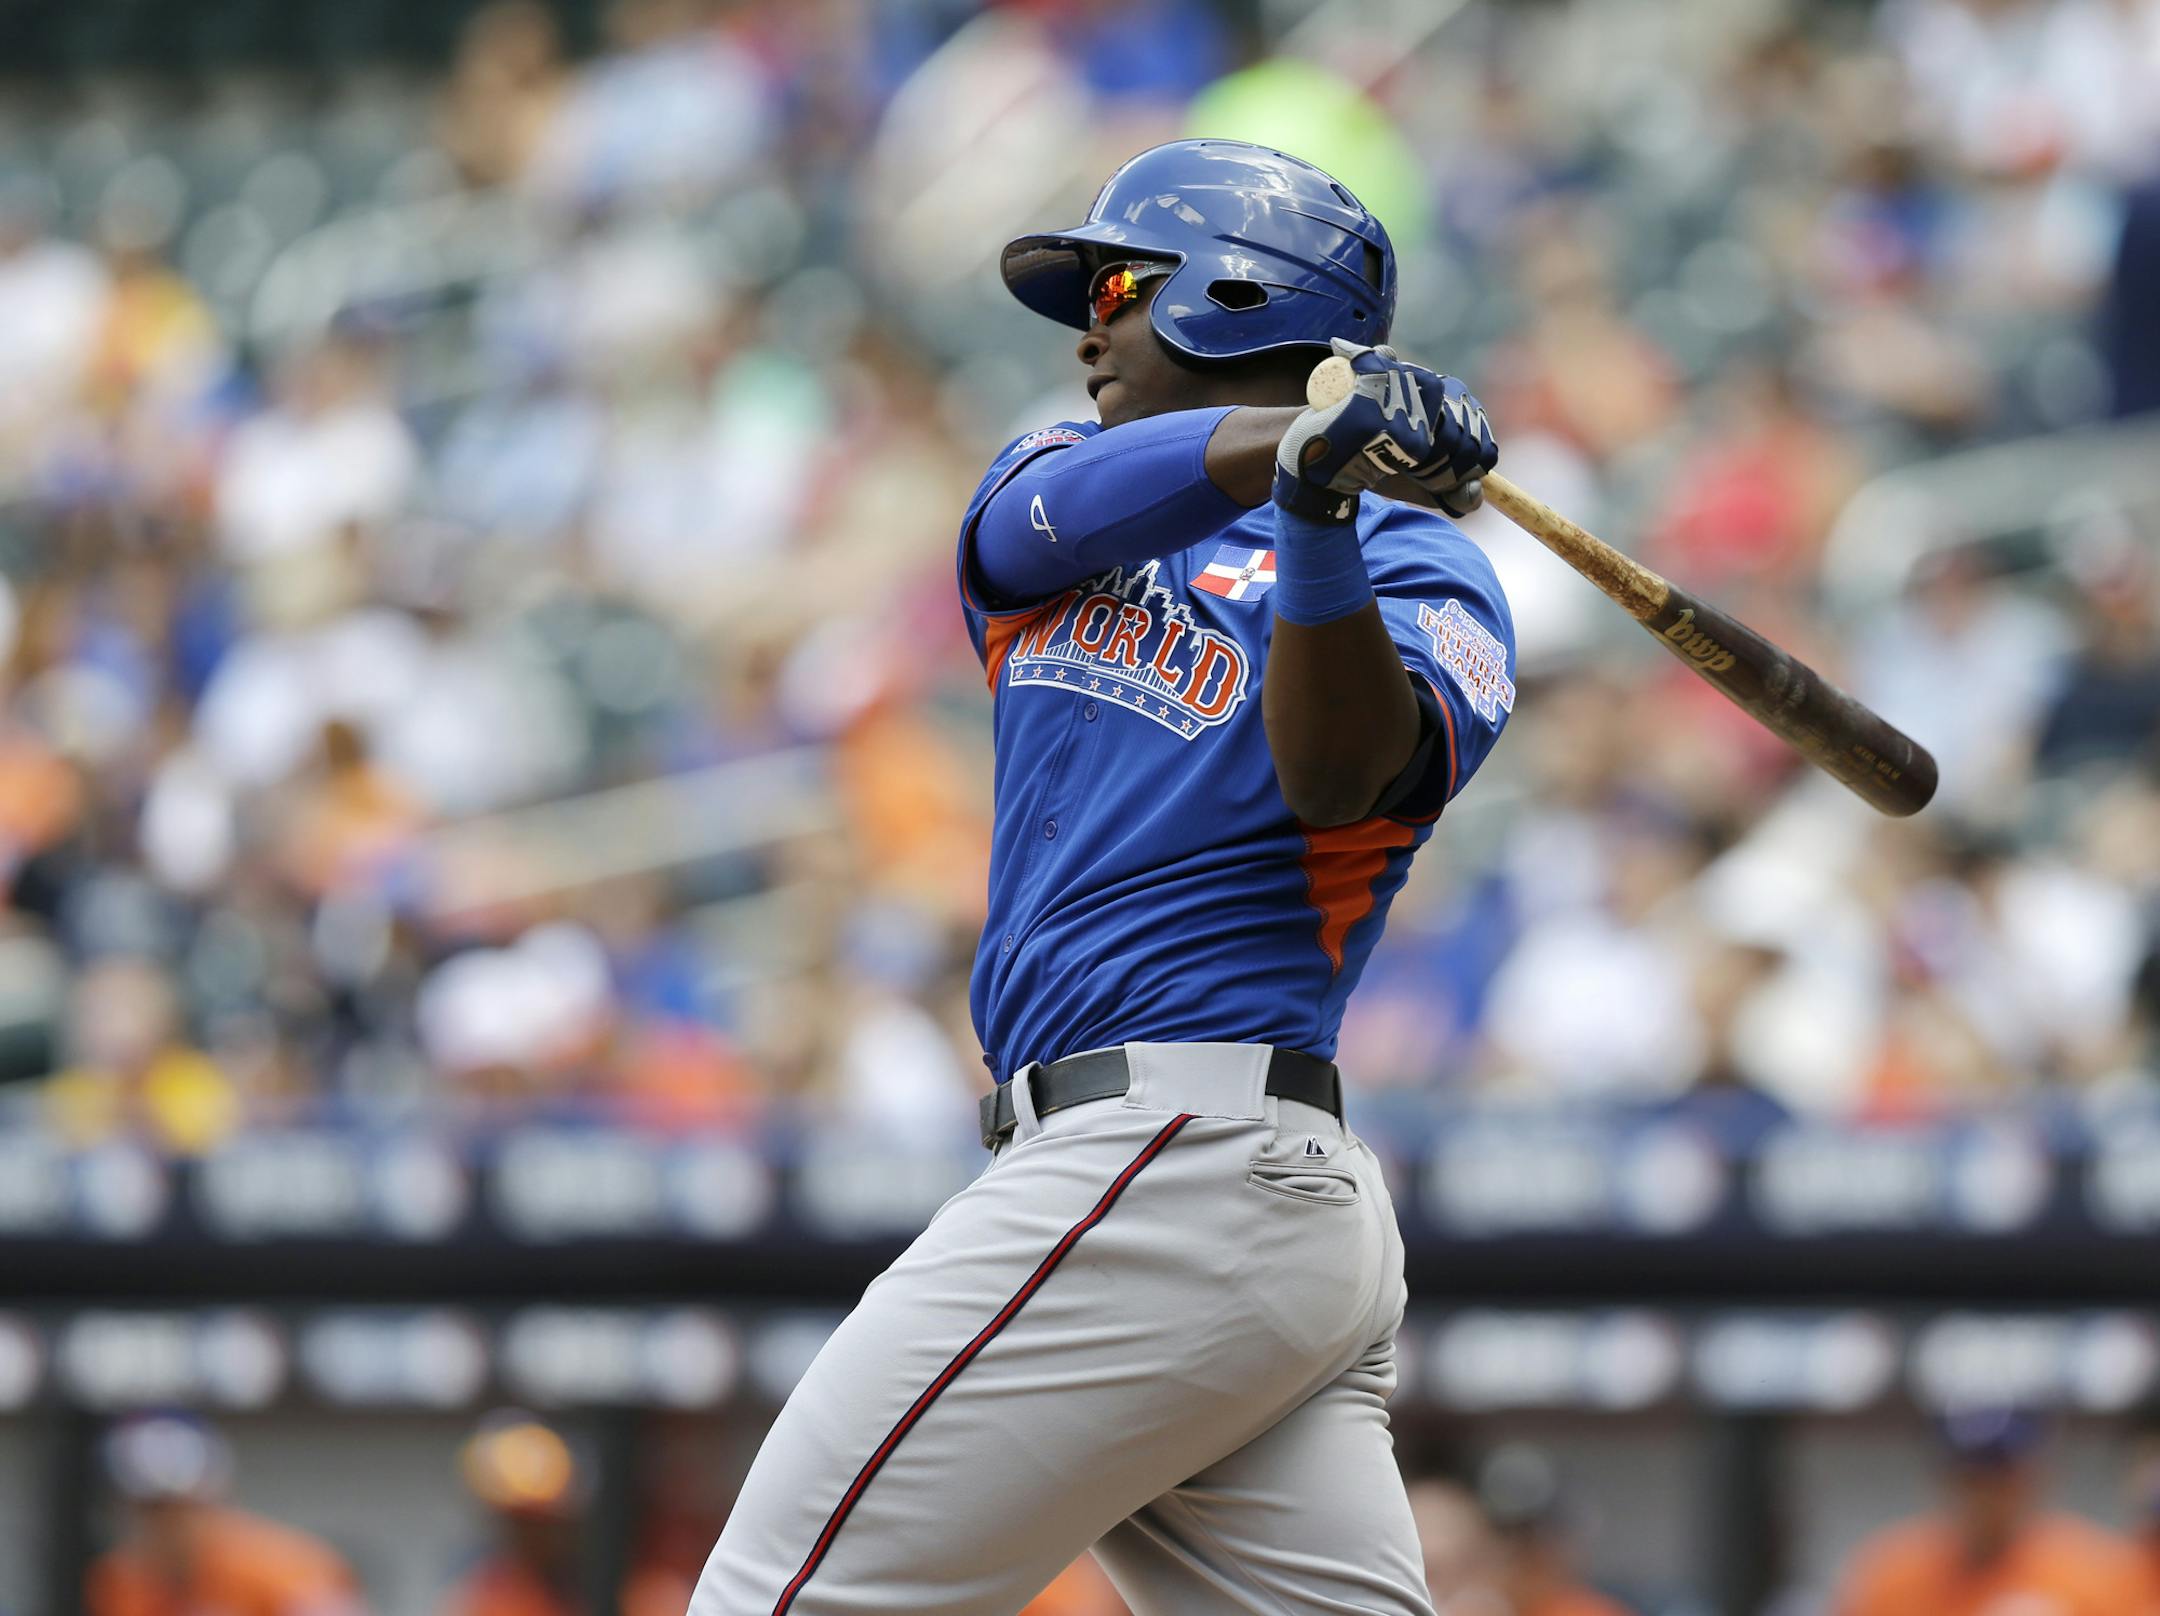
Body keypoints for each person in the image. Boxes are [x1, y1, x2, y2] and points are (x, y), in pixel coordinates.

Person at [693, 138, 1512, 1614]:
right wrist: (1294, 453)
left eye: (1121, 283)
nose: (1089, 326)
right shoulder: (1058, 489)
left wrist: (1323, 518)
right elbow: (1021, 533)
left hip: (1180, 1155)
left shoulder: (1424, 571)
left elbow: (1340, 777)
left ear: (1238, 295)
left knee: (775, 1599)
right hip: (1195, 1204)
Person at [1834, 1407, 2144, 1616]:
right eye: (1972, 1477)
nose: (1985, 1496)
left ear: (2034, 1477)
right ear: (1944, 1479)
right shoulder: (1890, 1575)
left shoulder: (2101, 1574)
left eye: (2000, 1476)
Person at [87, 1412, 367, 1616]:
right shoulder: (120, 1580)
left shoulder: (289, 1570)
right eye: (153, 1509)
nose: (170, 1524)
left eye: (184, 1507)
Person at [1475, 1446, 1632, 1616]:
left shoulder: (1590, 1611)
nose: (1517, 1555)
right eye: (1505, 1534)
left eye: (1529, 1539)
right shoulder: (1474, 1606)